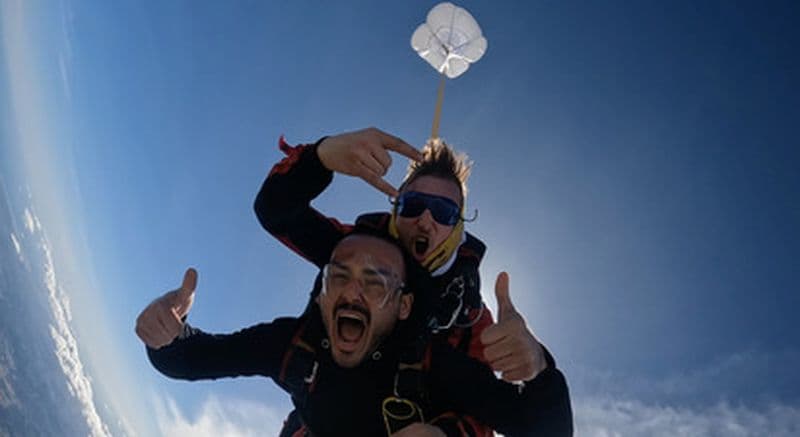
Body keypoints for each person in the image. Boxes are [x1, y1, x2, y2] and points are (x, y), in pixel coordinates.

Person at [135, 226, 573, 436]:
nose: (352, 292)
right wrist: (167, 335)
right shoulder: (296, 344)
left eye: (375, 282)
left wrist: (538, 365)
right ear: (322, 293)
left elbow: (544, 428)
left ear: (404, 307)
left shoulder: (428, 364)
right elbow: (196, 359)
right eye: (338, 277)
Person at [255, 128, 548, 434]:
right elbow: (276, 211)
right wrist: (319, 157)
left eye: (443, 212)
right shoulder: (352, 253)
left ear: (458, 231)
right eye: (413, 205)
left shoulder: (469, 316)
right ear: (395, 211)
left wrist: (539, 368)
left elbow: (489, 413)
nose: (424, 220)